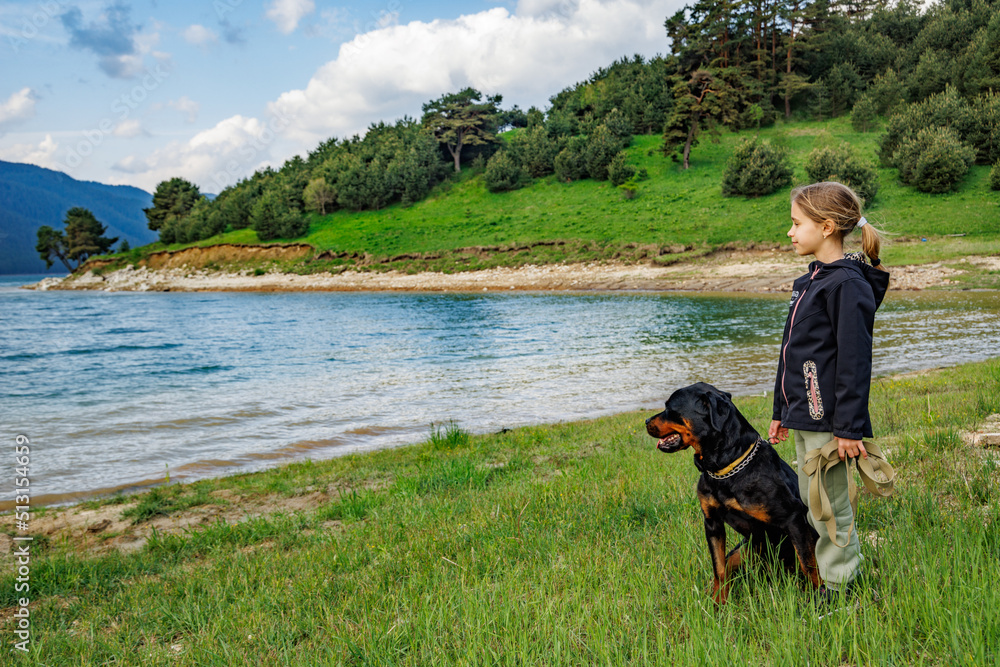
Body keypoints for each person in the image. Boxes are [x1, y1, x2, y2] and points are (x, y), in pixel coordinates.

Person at [767, 181, 889, 598]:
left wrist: (849, 428)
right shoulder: (812, 281)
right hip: (805, 413)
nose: (790, 232)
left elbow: (855, 364)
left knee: (830, 505)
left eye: (796, 223)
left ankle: (841, 589)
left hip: (831, 420)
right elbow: (791, 354)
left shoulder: (846, 286)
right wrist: (781, 410)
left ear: (827, 227)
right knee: (811, 499)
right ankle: (826, 575)